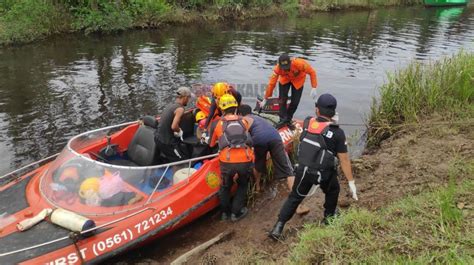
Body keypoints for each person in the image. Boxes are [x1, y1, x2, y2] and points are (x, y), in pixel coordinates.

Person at [269, 93, 358, 240]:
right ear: (334, 111)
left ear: (317, 110)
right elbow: (344, 160)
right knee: (333, 190)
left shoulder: (307, 122)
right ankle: (329, 217)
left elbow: (314, 126)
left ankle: (278, 226)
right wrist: (351, 182)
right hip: (324, 173)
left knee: (295, 197)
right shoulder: (338, 133)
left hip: (303, 170)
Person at [208, 94, 254, 222]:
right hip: (245, 159)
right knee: (243, 184)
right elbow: (248, 139)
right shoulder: (244, 121)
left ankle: (224, 214)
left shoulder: (218, 124)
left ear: (222, 110)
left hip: (227, 161)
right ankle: (236, 213)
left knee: (225, 186)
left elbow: (211, 144)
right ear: (236, 108)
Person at [238, 104, 294, 192]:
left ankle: (257, 187)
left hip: (259, 139)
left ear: (240, 114)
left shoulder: (243, 120)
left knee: (258, 164)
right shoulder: (258, 118)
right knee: (287, 169)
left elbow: (244, 138)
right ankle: (294, 193)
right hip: (275, 137)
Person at [262, 53, 318, 128]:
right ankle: (282, 119)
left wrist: (314, 87)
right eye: (283, 68)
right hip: (285, 80)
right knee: (282, 100)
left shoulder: (299, 63)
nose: (286, 69)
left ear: (290, 62)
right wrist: (266, 98)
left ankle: (288, 119)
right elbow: (271, 84)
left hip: (298, 80)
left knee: (295, 102)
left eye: (287, 67)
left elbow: (312, 72)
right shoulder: (277, 69)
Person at [155, 87, 194, 162]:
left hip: (157, 137)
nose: (189, 100)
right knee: (180, 161)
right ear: (185, 97)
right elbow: (174, 126)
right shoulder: (180, 109)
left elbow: (173, 115)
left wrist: (188, 113)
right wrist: (179, 131)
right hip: (166, 141)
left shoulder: (171, 105)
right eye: (188, 98)